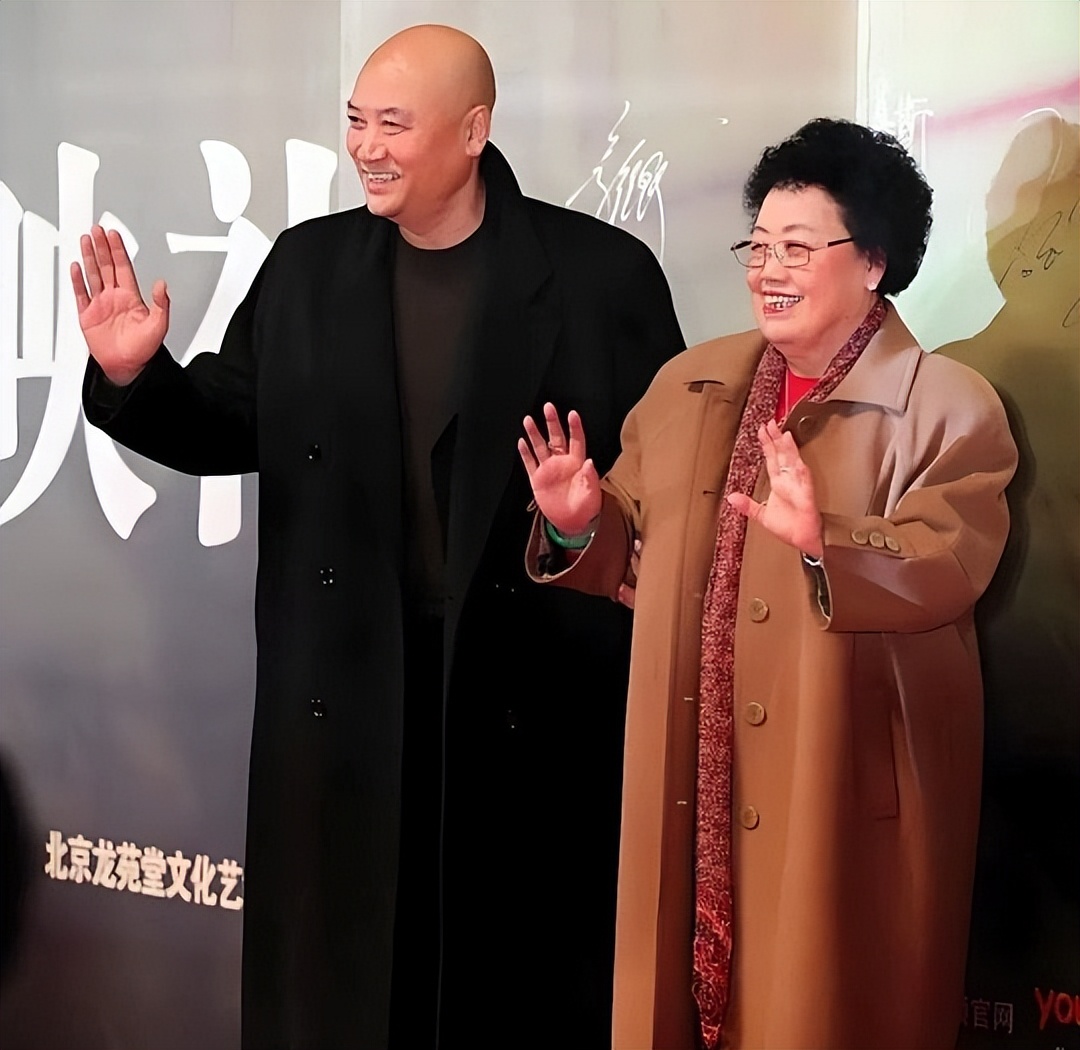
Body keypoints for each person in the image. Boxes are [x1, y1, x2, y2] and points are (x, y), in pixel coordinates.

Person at [71, 24, 684, 1050]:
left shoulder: (599, 277)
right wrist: (138, 377)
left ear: (474, 131)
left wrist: (585, 526)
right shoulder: (309, 269)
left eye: (393, 124)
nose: (366, 147)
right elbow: (230, 423)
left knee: (512, 993)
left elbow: (662, 491)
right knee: (344, 992)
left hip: (524, 709)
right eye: (356, 121)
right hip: (344, 703)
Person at [519, 117, 1018, 1050]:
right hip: (692, 766)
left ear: (873, 261)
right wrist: (581, 520)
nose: (768, 271)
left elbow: (949, 562)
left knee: (821, 1001)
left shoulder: (948, 406)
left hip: (840, 781)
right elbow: (632, 547)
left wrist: (827, 541)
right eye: (758, 246)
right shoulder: (690, 385)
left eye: (798, 248)